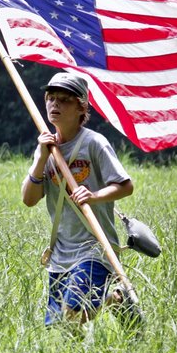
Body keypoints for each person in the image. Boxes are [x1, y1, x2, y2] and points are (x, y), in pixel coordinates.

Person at [21, 72, 142, 333]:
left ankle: (115, 299)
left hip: (94, 247)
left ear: (81, 107)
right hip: (60, 251)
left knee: (73, 312)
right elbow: (29, 199)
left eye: (64, 100)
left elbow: (126, 186)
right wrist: (41, 158)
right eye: (51, 98)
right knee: (62, 329)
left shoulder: (94, 143)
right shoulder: (46, 148)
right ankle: (115, 302)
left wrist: (94, 195)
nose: (55, 105)